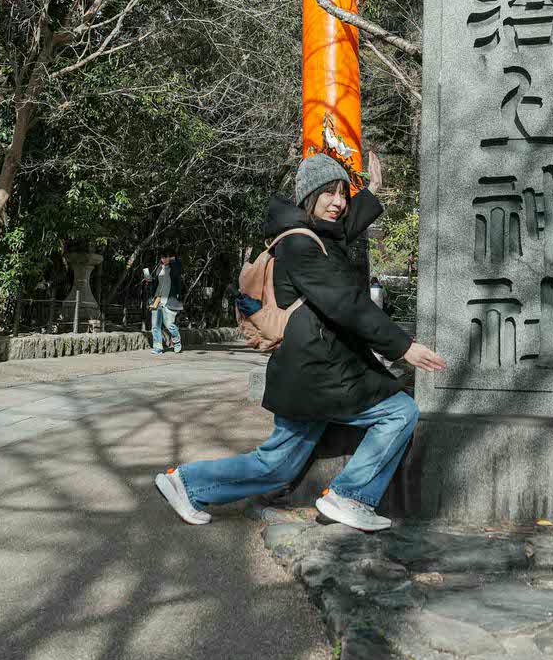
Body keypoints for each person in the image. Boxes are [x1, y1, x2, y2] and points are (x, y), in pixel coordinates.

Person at [154, 151, 446, 532]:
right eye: (330, 193)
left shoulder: (310, 234)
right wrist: (404, 346)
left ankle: (187, 483)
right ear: (309, 196)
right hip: (320, 373)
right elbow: (345, 302)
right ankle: (351, 496)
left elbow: (342, 230)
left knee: (277, 465)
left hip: (308, 370)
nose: (339, 203)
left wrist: (371, 190)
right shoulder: (300, 246)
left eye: (343, 194)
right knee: (399, 412)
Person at [143, 250, 184, 354]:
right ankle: (158, 347)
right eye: (162, 257)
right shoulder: (158, 269)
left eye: (165, 257)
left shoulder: (175, 268)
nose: (163, 259)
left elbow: (178, 264)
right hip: (157, 300)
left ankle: (176, 341)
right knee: (155, 326)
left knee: (169, 325)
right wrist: (150, 281)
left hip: (169, 300)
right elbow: (156, 283)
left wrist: (170, 259)